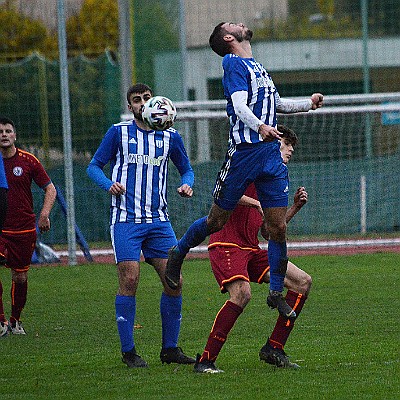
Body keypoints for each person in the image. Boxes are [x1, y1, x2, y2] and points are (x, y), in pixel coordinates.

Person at [165, 22, 322, 320]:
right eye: (233, 25)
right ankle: (178, 252)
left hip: (270, 157)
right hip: (244, 154)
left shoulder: (258, 67)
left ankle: (276, 292)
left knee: (277, 227)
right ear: (228, 37)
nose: (240, 24)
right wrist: (259, 126)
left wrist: (308, 104)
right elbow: (238, 105)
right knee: (216, 220)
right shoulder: (233, 63)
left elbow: (275, 104)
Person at [87, 83, 196, 368]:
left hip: (159, 222)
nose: (143, 103)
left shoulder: (170, 136)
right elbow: (93, 166)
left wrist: (187, 184)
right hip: (126, 221)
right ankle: (129, 352)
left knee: (175, 281)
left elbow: (186, 169)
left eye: (147, 98)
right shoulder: (118, 132)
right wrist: (108, 184)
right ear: (130, 106)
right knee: (130, 280)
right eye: (137, 100)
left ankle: (170, 349)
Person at [194, 125, 311, 373]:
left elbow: (270, 232)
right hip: (226, 243)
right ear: (271, 143)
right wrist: (257, 202)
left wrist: (294, 209)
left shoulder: (275, 178)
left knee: (302, 282)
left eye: (292, 146)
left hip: (251, 248)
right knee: (242, 294)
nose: (290, 149)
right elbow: (226, 194)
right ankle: (205, 360)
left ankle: (274, 347)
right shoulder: (247, 162)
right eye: (286, 143)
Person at [0, 117, 57, 337]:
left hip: (23, 228)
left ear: (15, 135)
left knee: (20, 277)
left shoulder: (28, 161)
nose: (4, 134)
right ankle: (1, 322)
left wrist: (44, 214)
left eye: (8, 131)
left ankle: (15, 320)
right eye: (0, 131)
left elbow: (50, 189)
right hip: (1, 228)